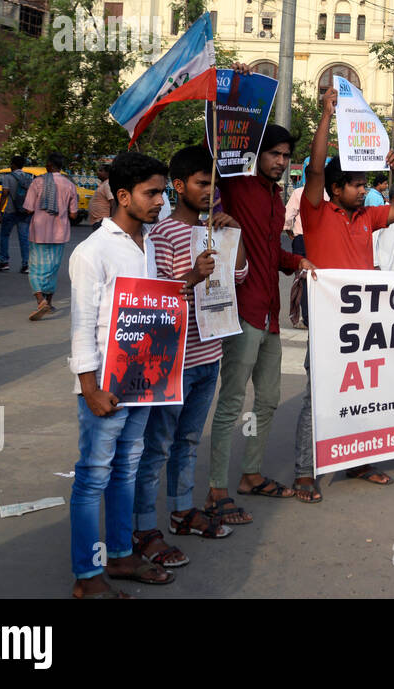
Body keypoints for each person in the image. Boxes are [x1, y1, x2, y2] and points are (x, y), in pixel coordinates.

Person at [295, 85, 394, 497]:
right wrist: (326, 116)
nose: (364, 190)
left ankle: (359, 460)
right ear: (334, 189)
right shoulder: (315, 211)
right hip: (328, 316)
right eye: (356, 185)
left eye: (365, 184)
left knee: (362, 389)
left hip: (365, 319)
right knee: (320, 393)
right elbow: (314, 169)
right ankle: (304, 470)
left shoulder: (369, 214)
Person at [132, 146, 249, 570]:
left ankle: (182, 511)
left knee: (186, 441)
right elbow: (154, 300)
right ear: (179, 186)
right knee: (157, 447)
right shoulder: (160, 236)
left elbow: (238, 276)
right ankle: (144, 527)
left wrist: (232, 233)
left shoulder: (211, 230)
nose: (210, 192)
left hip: (209, 352)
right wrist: (192, 277)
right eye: (202, 183)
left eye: (214, 184)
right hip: (173, 360)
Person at [66, 152, 174, 598]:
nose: (159, 201)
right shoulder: (93, 251)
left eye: (163, 192)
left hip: (142, 382)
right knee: (93, 475)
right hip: (105, 388)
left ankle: (120, 556)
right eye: (151, 193)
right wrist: (90, 389)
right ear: (123, 195)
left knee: (125, 470)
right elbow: (82, 325)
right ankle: (87, 578)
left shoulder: (146, 244)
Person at [208, 117, 314, 522]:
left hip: (268, 311)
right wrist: (234, 90)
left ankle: (250, 473)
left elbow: (269, 252)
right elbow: (215, 147)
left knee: (267, 400)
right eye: (275, 154)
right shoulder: (234, 184)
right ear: (255, 154)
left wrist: (296, 259)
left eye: (287, 156)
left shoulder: (274, 197)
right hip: (239, 308)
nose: (282, 162)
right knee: (232, 400)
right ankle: (217, 487)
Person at [21, 153, 79, 321]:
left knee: (35, 268)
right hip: (59, 233)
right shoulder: (69, 185)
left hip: (38, 231)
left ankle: (40, 301)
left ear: (48, 165)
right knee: (52, 268)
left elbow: (28, 209)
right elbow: (74, 214)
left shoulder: (37, 182)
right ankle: (49, 302)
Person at [0, 155, 32, 273]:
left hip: (10, 211)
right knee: (24, 237)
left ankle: (4, 262)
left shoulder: (8, 177)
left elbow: (5, 193)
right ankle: (26, 264)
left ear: (13, 164)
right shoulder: (28, 177)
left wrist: (0, 210)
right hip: (24, 211)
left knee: (5, 236)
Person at [88, 164, 112, 230]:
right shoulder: (104, 183)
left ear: (107, 173)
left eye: (101, 170)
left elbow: (112, 202)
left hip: (103, 221)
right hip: (99, 221)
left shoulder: (108, 184)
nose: (98, 172)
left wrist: (112, 221)